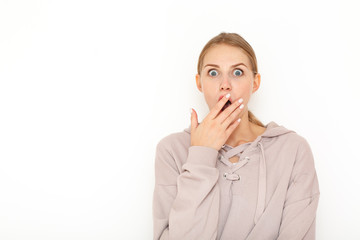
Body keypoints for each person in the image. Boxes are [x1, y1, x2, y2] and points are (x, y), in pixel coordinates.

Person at [152, 32, 320, 240]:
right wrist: (201, 156)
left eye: (238, 72)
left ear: (255, 82)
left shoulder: (293, 150)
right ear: (199, 83)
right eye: (213, 73)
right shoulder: (171, 150)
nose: (225, 84)